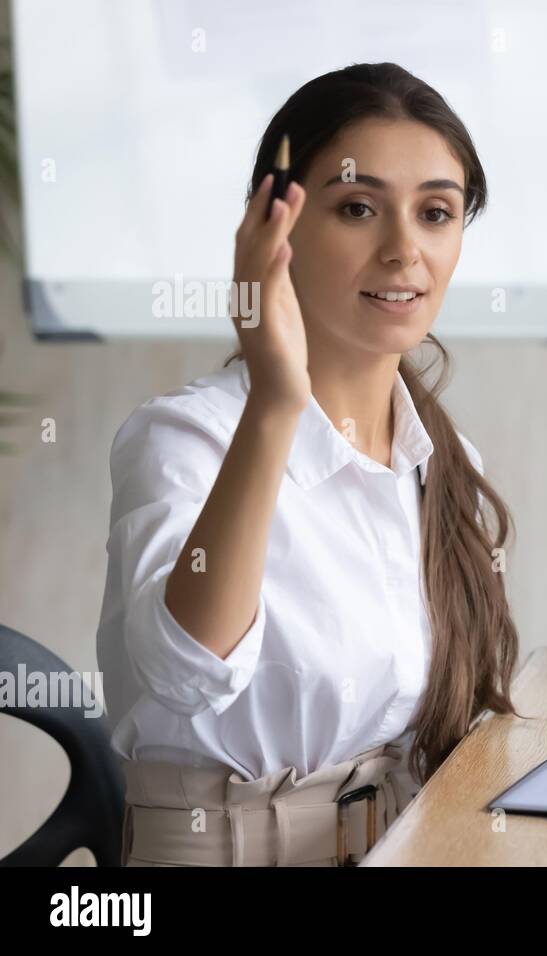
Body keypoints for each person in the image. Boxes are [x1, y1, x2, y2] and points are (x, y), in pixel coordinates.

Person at [96, 63, 518, 866]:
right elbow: (185, 672)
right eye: (358, 208)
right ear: (273, 231)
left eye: (436, 213)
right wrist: (277, 402)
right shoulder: (188, 437)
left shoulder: (443, 457)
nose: (404, 250)